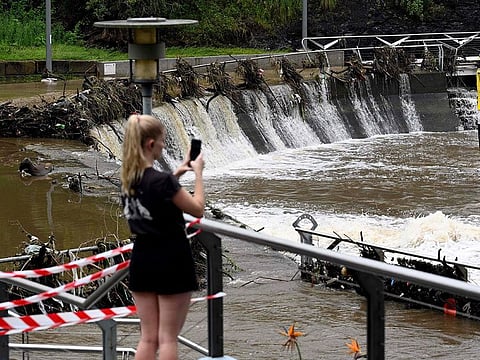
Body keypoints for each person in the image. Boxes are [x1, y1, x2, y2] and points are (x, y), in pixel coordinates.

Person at [120, 113, 205, 360]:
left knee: (148, 338)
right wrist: (198, 173)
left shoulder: (128, 181)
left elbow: (154, 194)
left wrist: (176, 174)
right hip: (171, 260)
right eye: (162, 141)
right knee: (168, 338)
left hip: (143, 261)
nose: (163, 145)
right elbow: (197, 208)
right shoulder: (163, 182)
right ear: (150, 144)